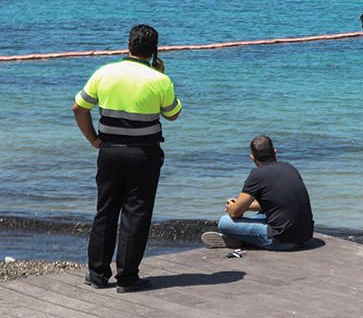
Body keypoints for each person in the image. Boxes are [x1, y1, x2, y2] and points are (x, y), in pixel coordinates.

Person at [73, 24, 182, 292]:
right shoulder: (159, 80)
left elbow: (79, 107)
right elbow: (173, 113)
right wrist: (161, 75)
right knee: (136, 213)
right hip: (144, 152)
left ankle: (97, 274)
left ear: (128, 46)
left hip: (109, 150)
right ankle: (127, 277)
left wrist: (93, 140)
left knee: (105, 211)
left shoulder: (105, 72)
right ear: (154, 51)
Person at [201, 135, 314, 251]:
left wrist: (232, 206)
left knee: (224, 222)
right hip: (306, 236)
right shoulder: (290, 168)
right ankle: (243, 238)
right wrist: (246, 206)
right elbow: (274, 202)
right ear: (275, 152)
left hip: (282, 241)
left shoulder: (257, 175)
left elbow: (234, 213)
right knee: (262, 213)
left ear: (252, 157)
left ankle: (240, 239)